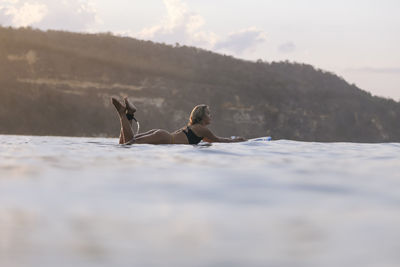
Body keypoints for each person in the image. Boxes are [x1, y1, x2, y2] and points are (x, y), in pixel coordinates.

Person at [111, 97, 247, 145]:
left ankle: (128, 115)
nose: (211, 116)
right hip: (165, 138)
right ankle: (123, 114)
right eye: (208, 113)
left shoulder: (195, 129)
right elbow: (218, 140)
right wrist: (237, 141)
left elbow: (209, 141)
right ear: (202, 117)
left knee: (124, 143)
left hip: (163, 135)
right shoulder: (202, 129)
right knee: (128, 144)